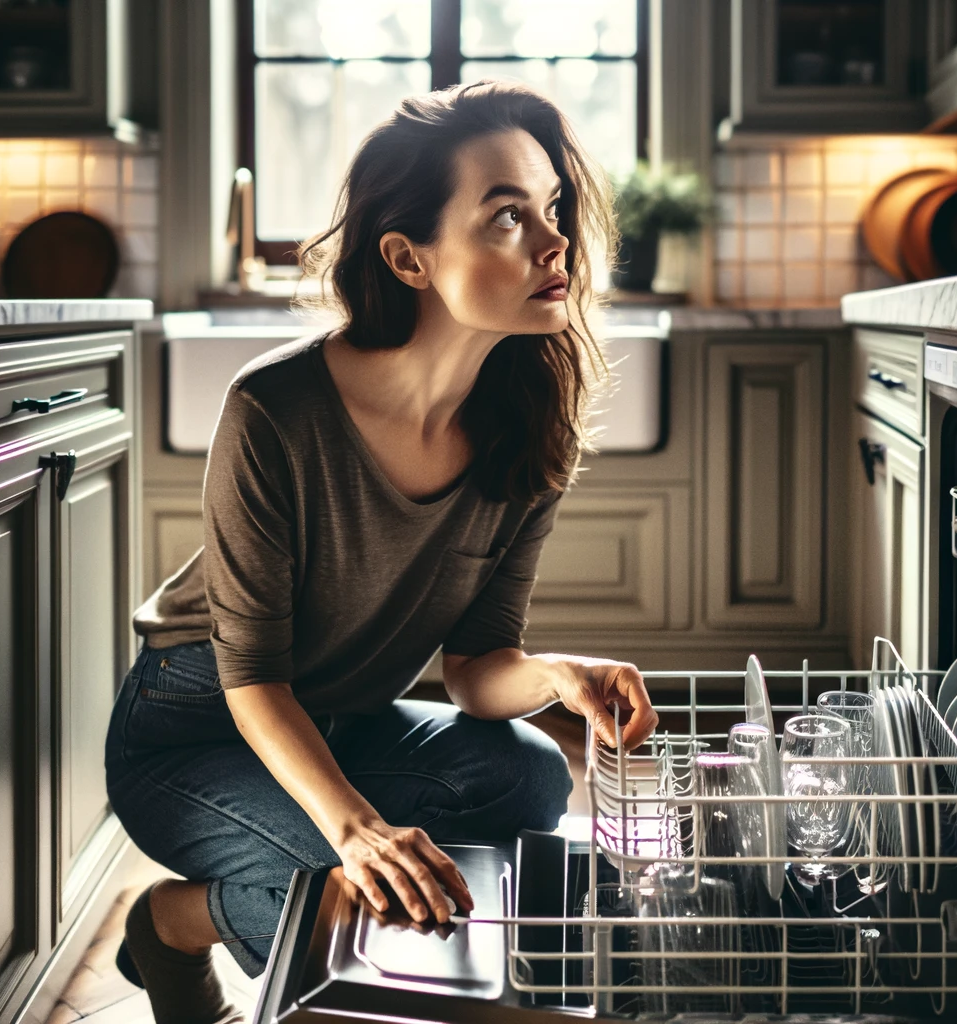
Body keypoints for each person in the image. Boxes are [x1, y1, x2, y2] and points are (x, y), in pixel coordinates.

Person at [104, 80, 659, 1023]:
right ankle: (171, 924)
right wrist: (357, 829)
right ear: (409, 257)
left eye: (552, 207)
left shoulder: (531, 431)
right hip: (197, 732)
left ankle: (290, 885)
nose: (554, 241)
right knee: (351, 881)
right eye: (506, 217)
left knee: (526, 771)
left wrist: (560, 675)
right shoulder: (276, 409)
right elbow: (252, 681)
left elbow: (477, 669)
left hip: (346, 720)